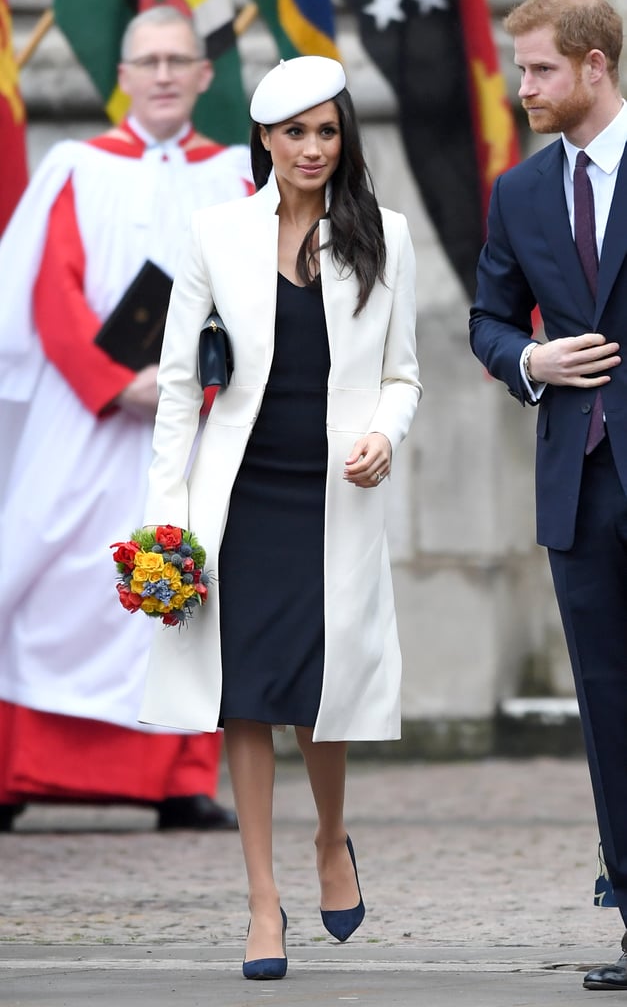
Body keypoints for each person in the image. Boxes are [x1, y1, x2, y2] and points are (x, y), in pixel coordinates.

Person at [138, 55, 421, 978]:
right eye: (294, 132)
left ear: (344, 139)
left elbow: (402, 374)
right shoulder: (214, 232)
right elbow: (180, 389)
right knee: (245, 698)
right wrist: (163, 521)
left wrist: (385, 432)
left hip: (335, 494)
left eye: (327, 131)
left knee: (322, 700)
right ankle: (263, 905)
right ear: (264, 139)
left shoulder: (387, 234)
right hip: (240, 500)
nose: (312, 148)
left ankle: (330, 839)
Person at [0, 6, 255, 832]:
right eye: (147, 61)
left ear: (204, 75)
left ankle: (176, 780)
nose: (164, 74)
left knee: (185, 587)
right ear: (123, 76)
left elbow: (252, 303)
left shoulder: (236, 178)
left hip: (189, 430)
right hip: (86, 421)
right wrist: (118, 383)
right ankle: (17, 774)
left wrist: (193, 389)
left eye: (179, 60)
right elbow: (54, 291)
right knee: (42, 577)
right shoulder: (76, 166)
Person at [468, 0, 627, 991]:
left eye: (537, 70)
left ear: (594, 66)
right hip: (578, 490)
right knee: (609, 711)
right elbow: (485, 318)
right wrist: (532, 361)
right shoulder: (518, 194)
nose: (521, 86)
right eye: (520, 68)